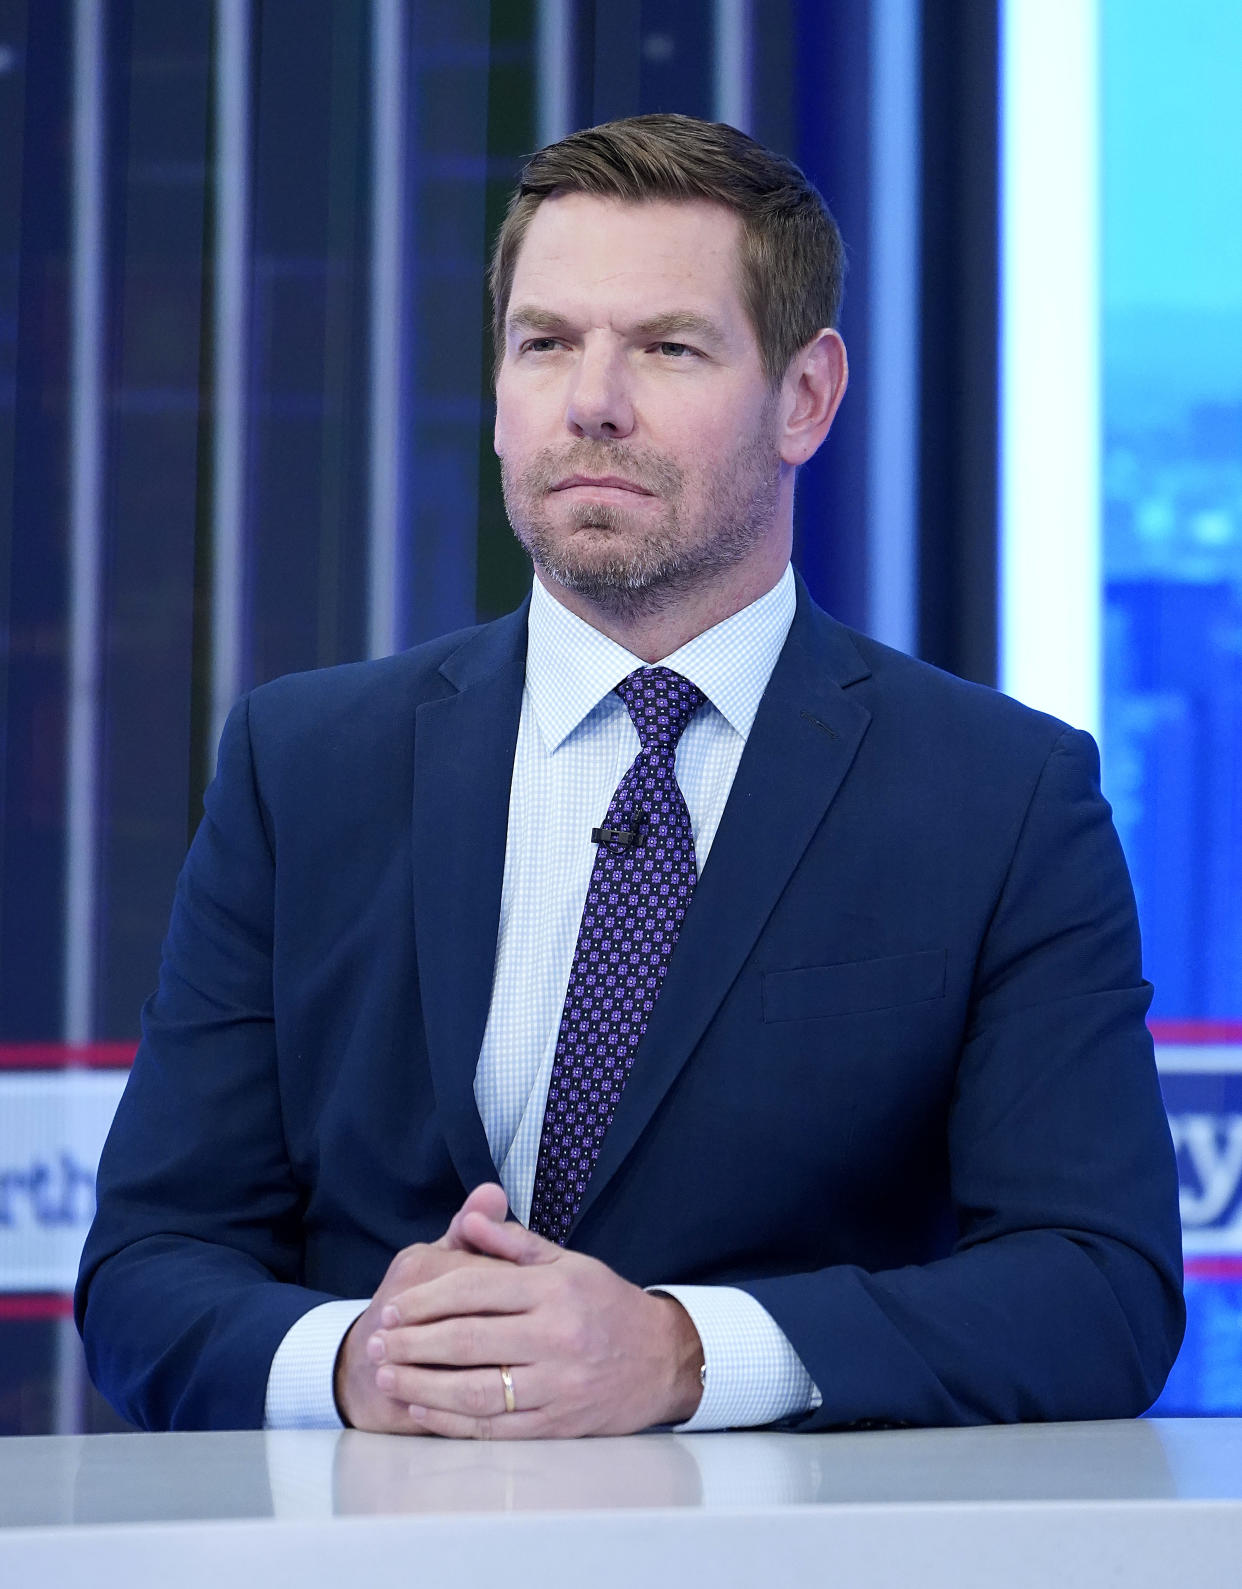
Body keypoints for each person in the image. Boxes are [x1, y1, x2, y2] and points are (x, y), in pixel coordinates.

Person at [76, 114, 1184, 1437]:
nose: (591, 398)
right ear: (496, 391)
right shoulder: (301, 765)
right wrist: (353, 1359)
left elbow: (1096, 1289)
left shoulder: (1001, 796)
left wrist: (683, 1351)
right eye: (545, 343)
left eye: (666, 345)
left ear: (806, 396)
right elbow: (148, 1266)